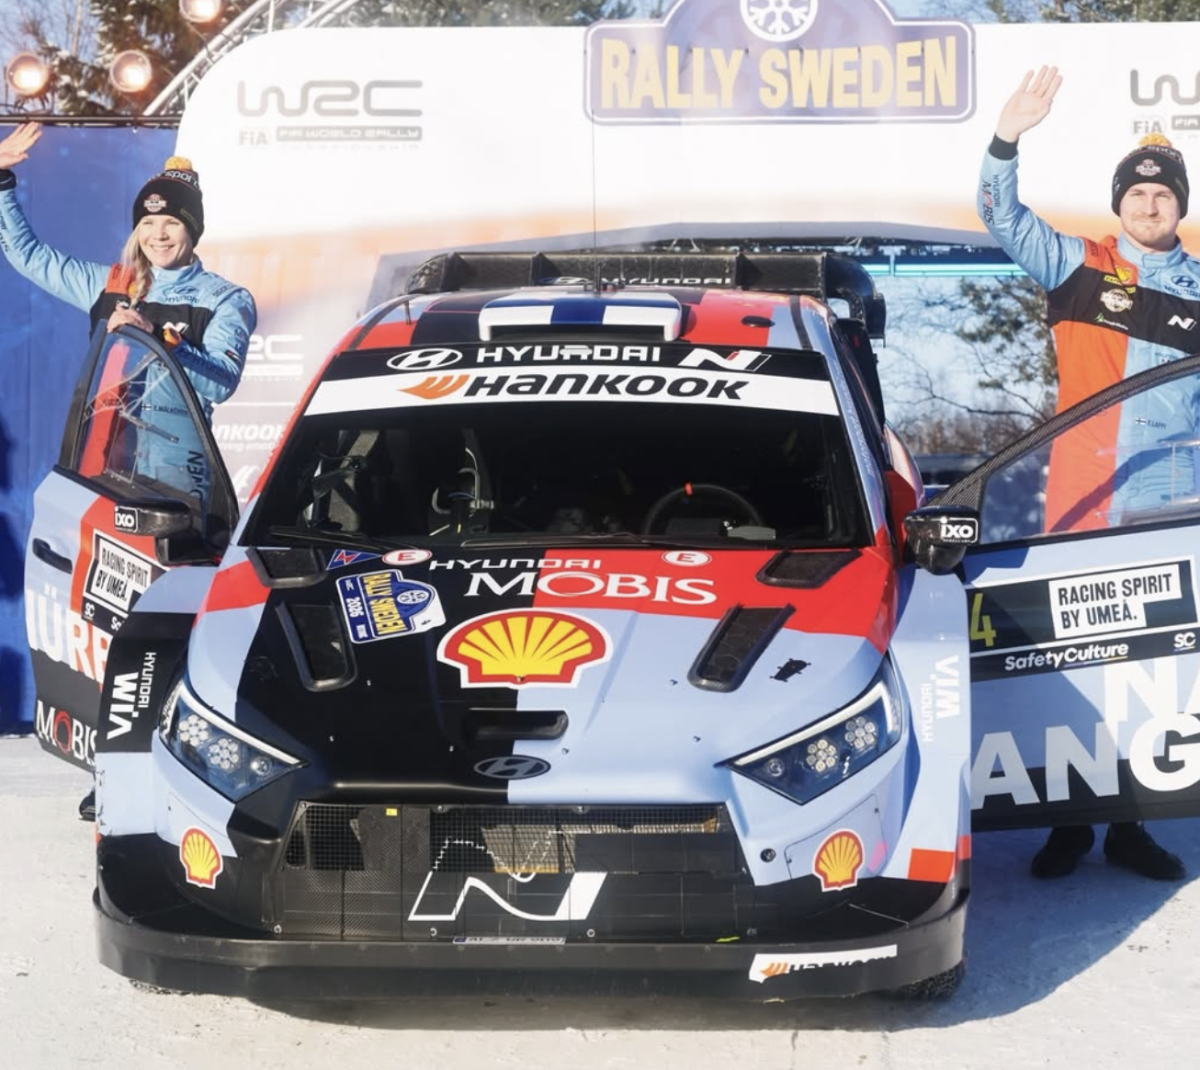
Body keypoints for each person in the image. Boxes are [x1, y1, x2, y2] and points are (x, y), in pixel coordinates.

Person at [0, 122, 257, 820]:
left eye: (171, 223)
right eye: (149, 222)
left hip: (177, 490)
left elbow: (221, 381)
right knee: (107, 628)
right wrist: (3, 183)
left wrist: (154, 337)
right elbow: (27, 255)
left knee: (170, 632)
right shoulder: (112, 285)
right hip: (104, 480)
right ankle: (112, 768)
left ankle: (181, 770)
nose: (159, 234)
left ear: (192, 229)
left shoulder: (225, 299)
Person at [978, 66, 1195, 882]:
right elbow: (999, 213)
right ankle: (1066, 823)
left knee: (1155, 670)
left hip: (1172, 501)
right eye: (1138, 193)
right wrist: (1008, 134)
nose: (1150, 204)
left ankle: (1131, 827)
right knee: (1072, 662)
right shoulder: (1077, 266)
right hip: (1084, 496)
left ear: (1180, 206)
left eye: (1163, 194)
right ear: (1119, 203)